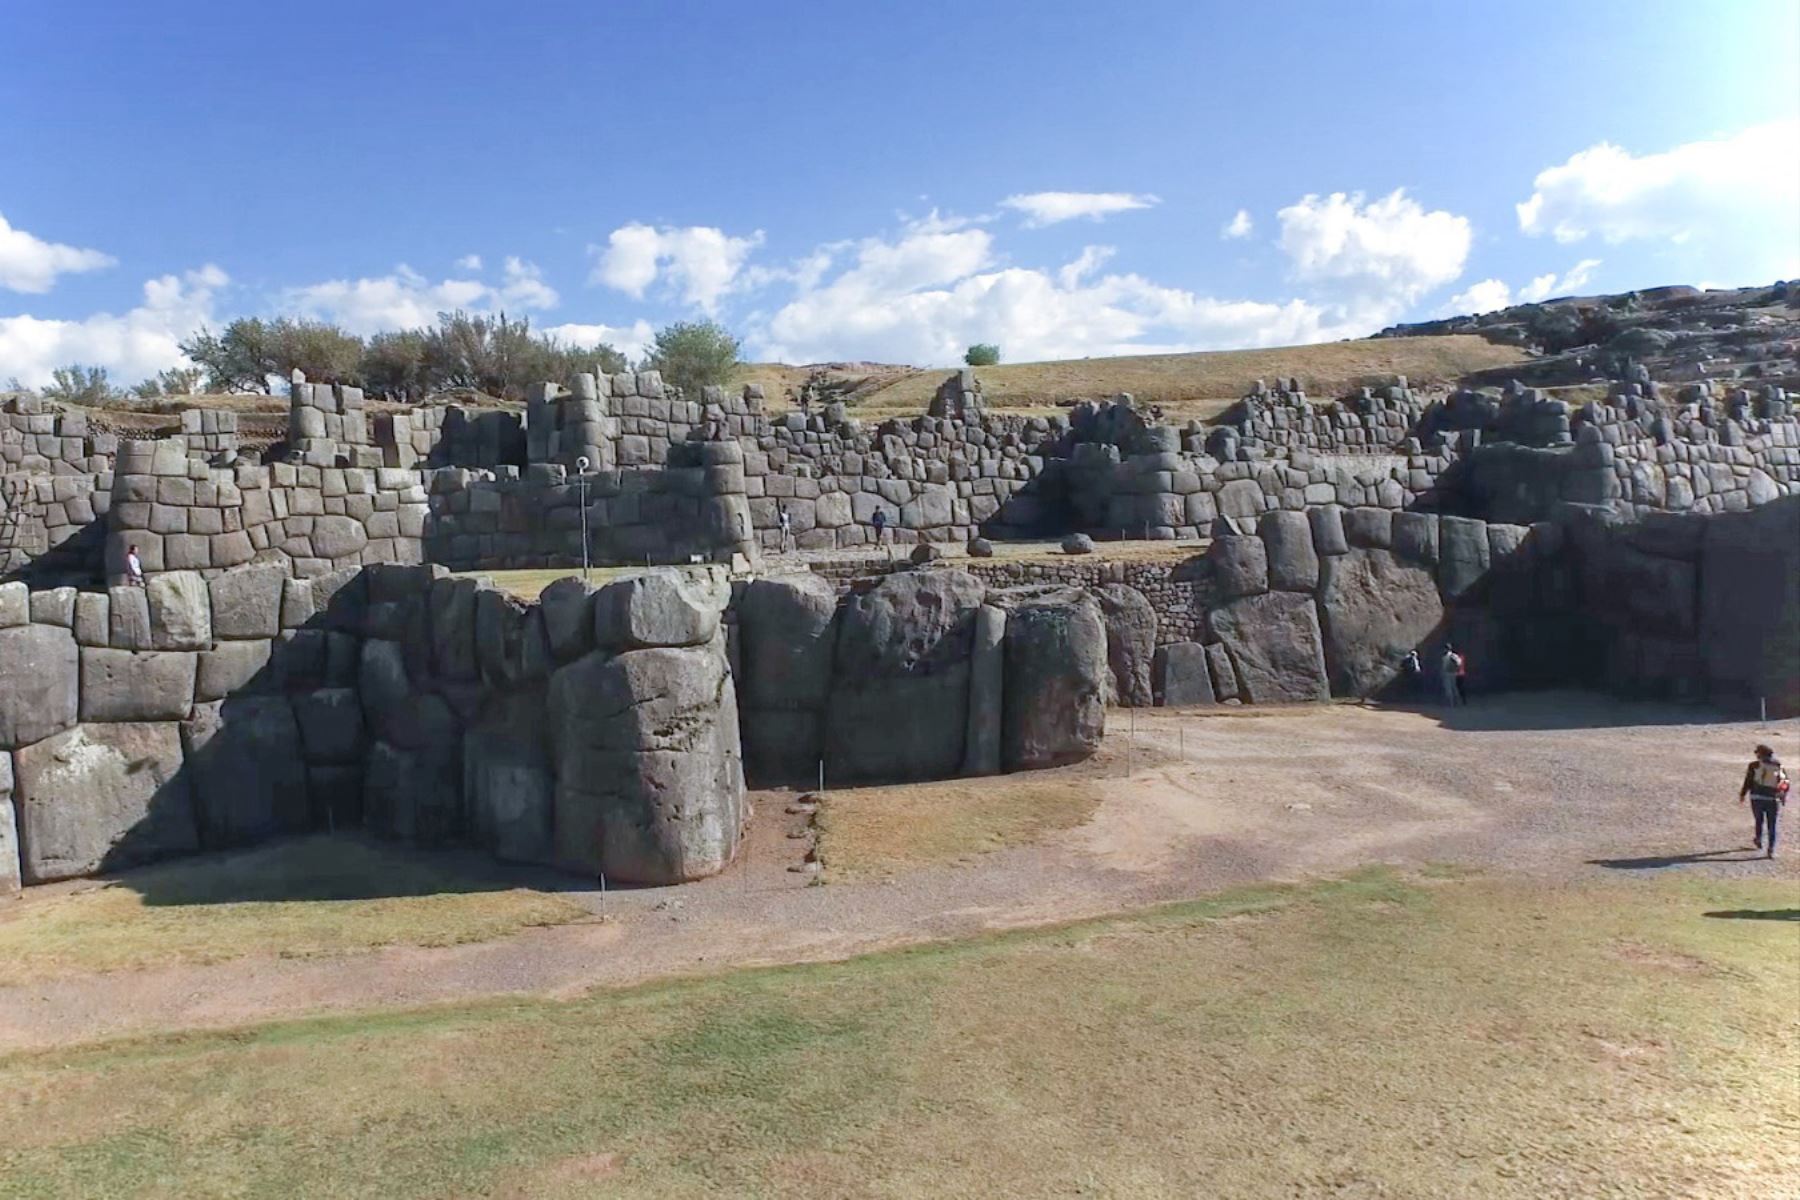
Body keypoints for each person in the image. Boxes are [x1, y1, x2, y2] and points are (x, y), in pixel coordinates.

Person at [1739, 744, 1789, 858]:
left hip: (1756, 798)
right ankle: (1771, 849)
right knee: (1772, 824)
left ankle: (1758, 839)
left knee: (1759, 820)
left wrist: (1743, 794)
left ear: (1759, 754)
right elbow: (1784, 782)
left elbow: (1748, 780)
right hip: (1772, 799)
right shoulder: (1777, 765)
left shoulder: (1753, 765)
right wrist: (1783, 796)